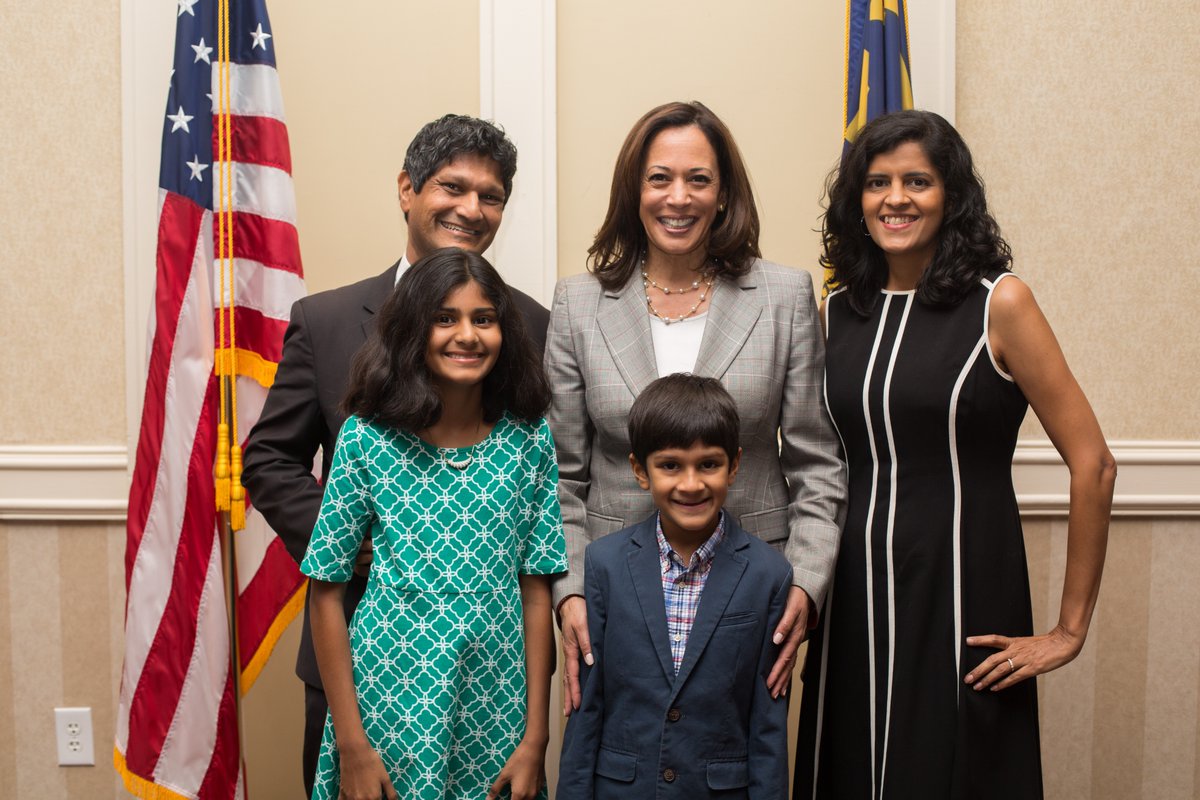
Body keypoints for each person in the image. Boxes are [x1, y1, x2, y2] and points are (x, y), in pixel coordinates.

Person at [793, 110, 1115, 799]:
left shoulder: (1001, 304)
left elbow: (1094, 464)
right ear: (857, 201)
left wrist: (1068, 631)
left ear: (952, 196)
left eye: (918, 180)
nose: (895, 198)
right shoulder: (837, 312)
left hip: (964, 588)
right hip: (850, 596)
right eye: (877, 183)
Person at [241, 114, 550, 797]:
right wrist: (359, 537)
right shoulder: (326, 320)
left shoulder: (528, 322)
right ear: (407, 189)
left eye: (491, 195)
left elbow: (532, 496)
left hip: (486, 686)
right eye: (453, 186)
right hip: (356, 663)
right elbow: (267, 458)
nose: (471, 208)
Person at [545, 101, 847, 713]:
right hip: (614, 593)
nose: (677, 197)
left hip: (749, 594)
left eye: (698, 179)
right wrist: (571, 591)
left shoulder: (785, 296)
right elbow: (561, 475)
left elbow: (817, 463)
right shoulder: (578, 305)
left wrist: (807, 586)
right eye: (659, 178)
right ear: (634, 189)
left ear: (724, 192)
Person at [301, 248, 565, 800]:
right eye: (445, 318)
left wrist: (535, 738)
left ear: (504, 332)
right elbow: (325, 595)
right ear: (412, 330)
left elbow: (536, 591)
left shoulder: (529, 439)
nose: (466, 334)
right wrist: (351, 745)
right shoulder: (366, 439)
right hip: (385, 713)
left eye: (483, 319)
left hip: (495, 715)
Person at [556, 375, 793, 799]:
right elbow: (585, 709)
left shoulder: (769, 574)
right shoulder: (603, 564)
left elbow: (768, 727)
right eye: (670, 465)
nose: (690, 483)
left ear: (734, 465)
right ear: (639, 470)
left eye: (708, 464)